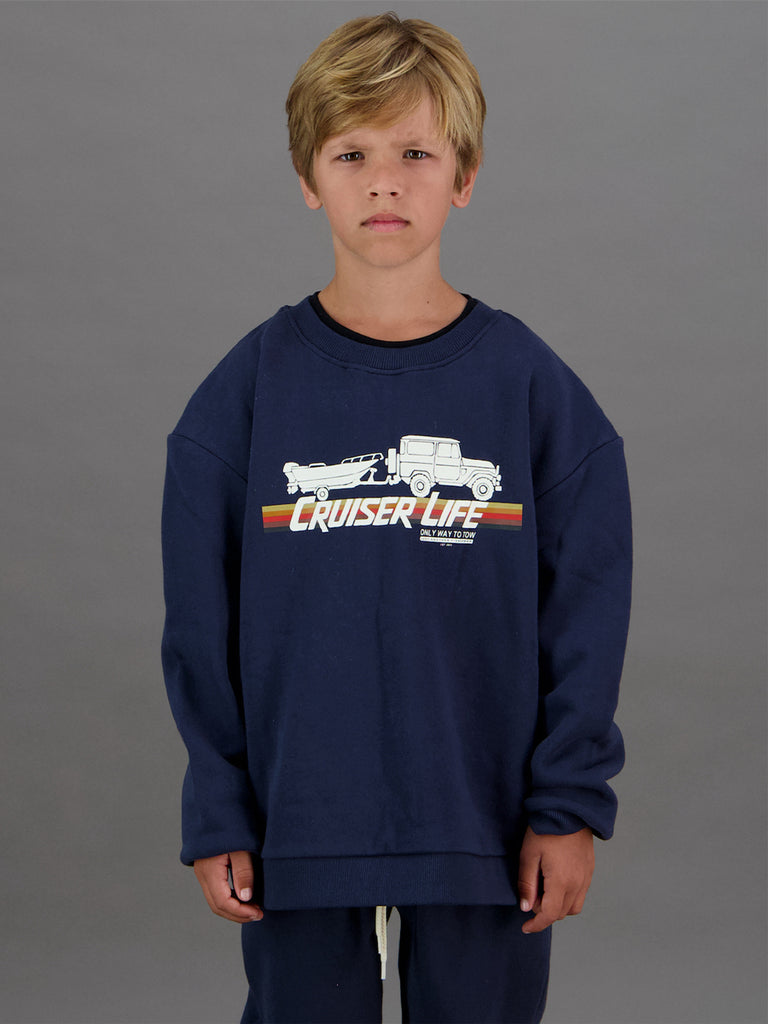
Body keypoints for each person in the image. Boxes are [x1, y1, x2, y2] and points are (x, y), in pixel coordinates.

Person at [161, 12, 632, 1024]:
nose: (385, 182)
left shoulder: (530, 390)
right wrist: (218, 805)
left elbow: (586, 616)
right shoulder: (245, 396)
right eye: (353, 154)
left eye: (415, 153)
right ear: (308, 176)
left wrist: (568, 805)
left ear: (464, 175)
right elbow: (200, 625)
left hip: (485, 827)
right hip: (296, 826)